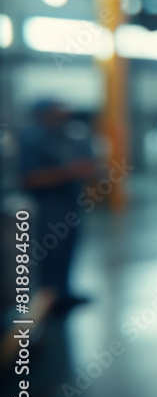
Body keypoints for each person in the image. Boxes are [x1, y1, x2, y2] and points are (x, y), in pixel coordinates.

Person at [18, 99, 97, 312]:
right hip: (45, 205)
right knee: (47, 252)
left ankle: (63, 293)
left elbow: (89, 165)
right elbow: (28, 178)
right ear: (42, 114)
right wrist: (70, 172)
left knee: (68, 249)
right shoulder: (31, 140)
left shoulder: (69, 135)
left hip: (70, 203)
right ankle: (44, 301)